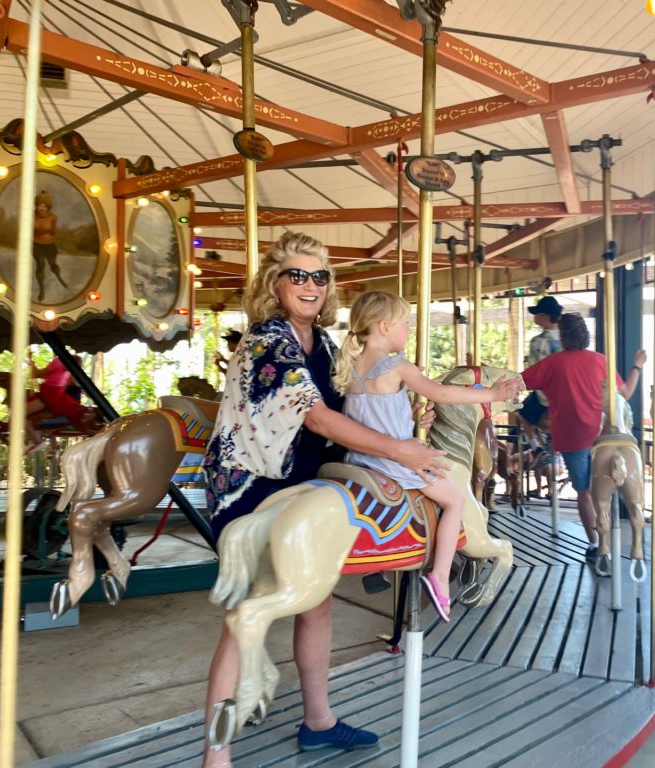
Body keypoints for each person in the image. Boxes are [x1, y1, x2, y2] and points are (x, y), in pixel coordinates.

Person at [201, 233, 448, 764]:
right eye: (297, 275)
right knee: (247, 608)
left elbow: (353, 408)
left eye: (320, 276)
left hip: (308, 479)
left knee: (315, 601)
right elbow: (316, 416)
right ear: (275, 282)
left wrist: (399, 428)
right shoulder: (269, 340)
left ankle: (318, 721)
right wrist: (399, 452)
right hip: (253, 481)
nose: (310, 286)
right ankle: (214, 755)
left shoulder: (326, 344)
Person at [333, 290, 520, 621]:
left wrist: (413, 419)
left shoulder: (351, 369)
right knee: (454, 501)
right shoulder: (395, 365)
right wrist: (490, 393)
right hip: (395, 462)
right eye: (405, 323)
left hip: (359, 462)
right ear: (384, 326)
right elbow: (440, 392)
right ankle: (439, 577)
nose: (408, 329)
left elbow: (370, 419)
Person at [519, 313, 645, 562]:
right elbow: (626, 394)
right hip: (604, 434)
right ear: (585, 335)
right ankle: (630, 542)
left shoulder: (553, 363)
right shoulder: (600, 361)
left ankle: (597, 544)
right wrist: (637, 365)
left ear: (563, 336)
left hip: (572, 436)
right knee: (613, 489)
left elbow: (520, 381)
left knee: (585, 491)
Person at [517, 296, 563, 497]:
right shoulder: (565, 339)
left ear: (545, 317)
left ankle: (535, 447)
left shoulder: (538, 341)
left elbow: (534, 371)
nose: (535, 317)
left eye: (537, 314)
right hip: (563, 396)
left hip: (544, 396)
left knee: (522, 414)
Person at [25, 353, 96, 451]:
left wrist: (31, 362)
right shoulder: (70, 373)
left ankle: (40, 442)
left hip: (54, 397)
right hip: (60, 398)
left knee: (25, 415)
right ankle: (41, 439)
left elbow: (37, 374)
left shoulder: (61, 365)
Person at [32, 190, 68, 303]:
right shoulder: (31, 216)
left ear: (48, 207)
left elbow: (53, 231)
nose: (41, 208)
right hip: (37, 244)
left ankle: (59, 277)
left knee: (52, 263)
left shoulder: (53, 217)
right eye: (39, 205)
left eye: (44, 206)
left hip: (49, 245)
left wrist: (47, 236)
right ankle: (42, 291)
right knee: (40, 264)